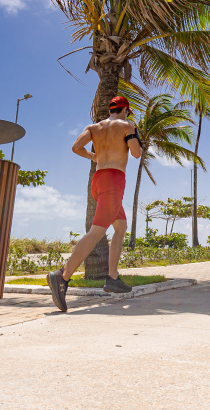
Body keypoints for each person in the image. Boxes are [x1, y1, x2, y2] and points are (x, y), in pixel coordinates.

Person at [47, 95, 143, 312]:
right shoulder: (127, 126)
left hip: (98, 181)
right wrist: (133, 136)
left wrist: (94, 156)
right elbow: (136, 153)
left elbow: (75, 147)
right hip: (114, 181)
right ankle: (62, 276)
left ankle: (112, 277)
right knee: (97, 232)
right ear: (126, 110)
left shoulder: (94, 127)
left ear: (110, 109)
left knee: (120, 227)